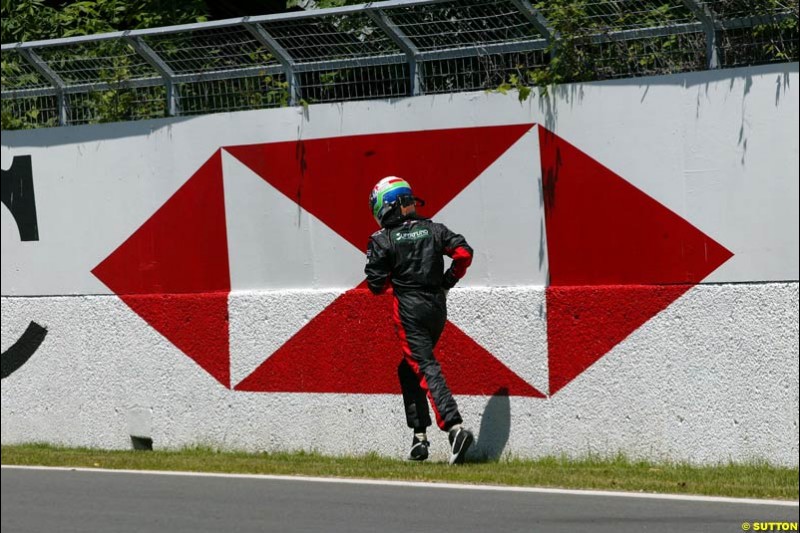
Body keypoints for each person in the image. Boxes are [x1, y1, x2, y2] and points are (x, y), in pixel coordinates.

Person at [364, 176, 475, 464]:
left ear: (385, 208)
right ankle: (419, 439)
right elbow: (464, 253)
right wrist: (448, 281)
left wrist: (396, 272)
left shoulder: (381, 239)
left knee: (424, 366)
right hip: (437, 307)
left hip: (409, 310)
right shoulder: (434, 229)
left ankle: (454, 429)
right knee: (407, 369)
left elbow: (375, 286)